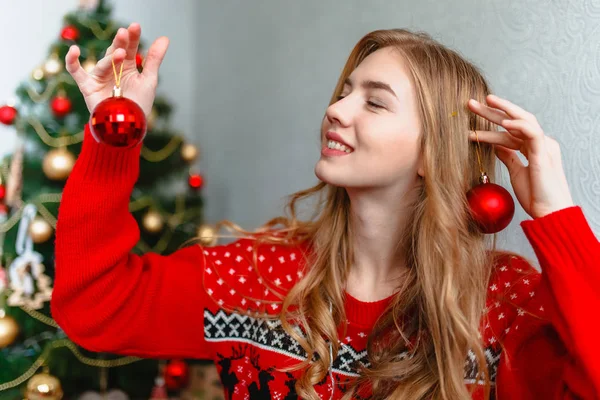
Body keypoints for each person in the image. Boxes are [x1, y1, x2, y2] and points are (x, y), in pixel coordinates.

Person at [51, 23, 600, 400]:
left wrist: (556, 213)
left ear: (435, 153)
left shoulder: (502, 301)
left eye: (374, 101)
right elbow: (95, 307)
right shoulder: (259, 278)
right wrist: (113, 140)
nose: (335, 110)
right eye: (344, 92)